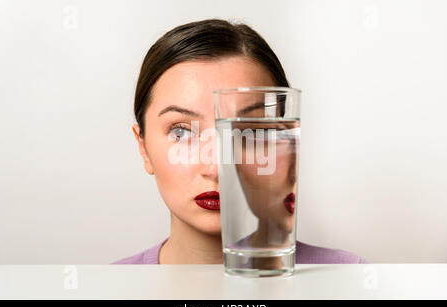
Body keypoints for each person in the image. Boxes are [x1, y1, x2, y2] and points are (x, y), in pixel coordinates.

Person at [112, 19, 367, 265]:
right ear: (144, 149)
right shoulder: (108, 290)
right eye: (181, 132)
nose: (217, 168)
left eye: (251, 131)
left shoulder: (348, 280)